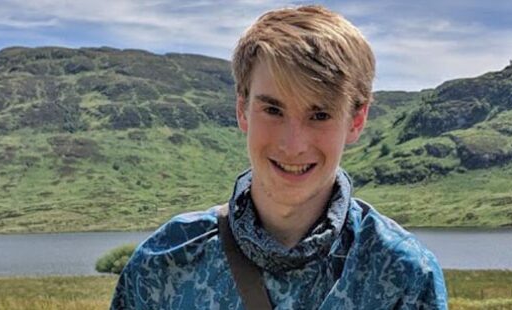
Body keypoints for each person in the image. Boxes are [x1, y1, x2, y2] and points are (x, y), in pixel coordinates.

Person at [111, 5, 447, 309]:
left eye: (320, 115)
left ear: (356, 120)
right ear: (242, 109)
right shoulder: (165, 263)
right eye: (273, 109)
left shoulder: (403, 274)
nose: (293, 144)